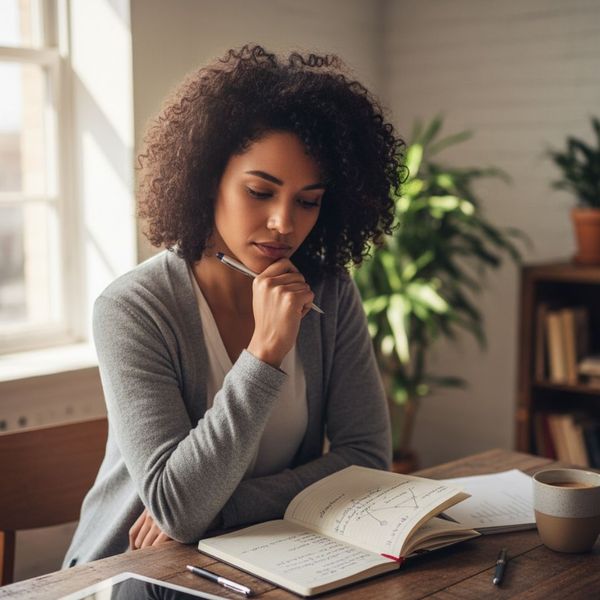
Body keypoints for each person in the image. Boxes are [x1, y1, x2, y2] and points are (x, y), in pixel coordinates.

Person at [63, 44, 404, 567]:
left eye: (308, 201)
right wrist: (265, 354)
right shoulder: (133, 309)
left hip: (273, 559)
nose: (284, 224)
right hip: (135, 574)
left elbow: (368, 457)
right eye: (260, 191)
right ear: (208, 179)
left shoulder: (329, 291)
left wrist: (223, 508)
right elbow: (177, 507)